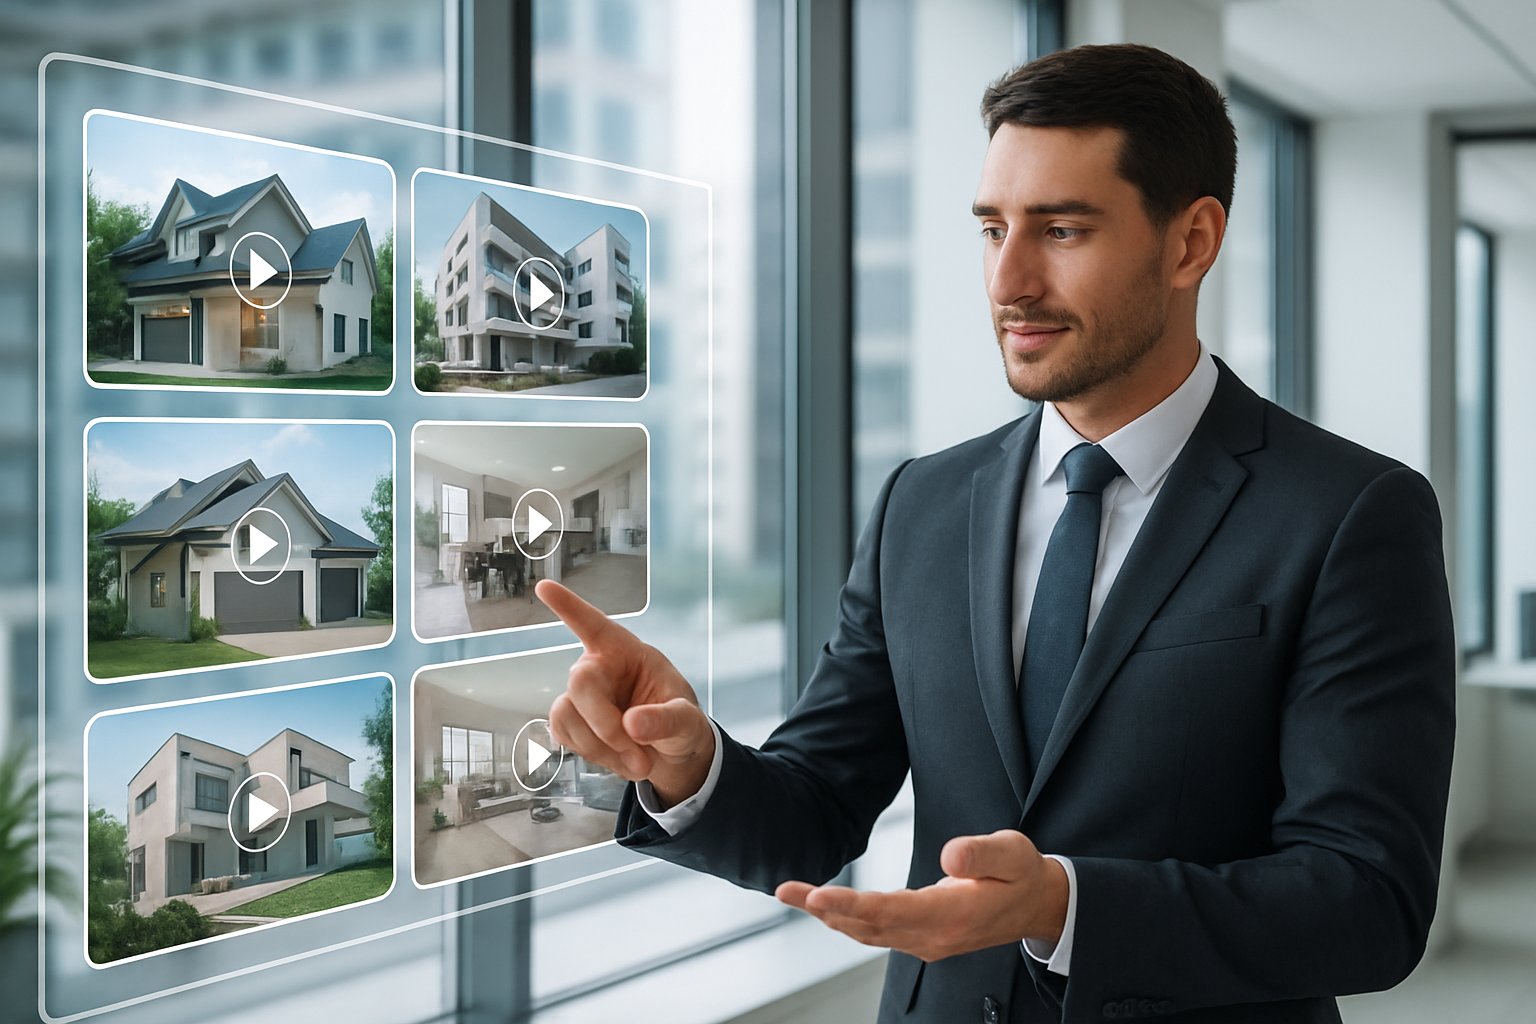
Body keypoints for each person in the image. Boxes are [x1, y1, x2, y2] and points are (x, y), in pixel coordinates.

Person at [535, 42, 1456, 1024]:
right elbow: (816, 810)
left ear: (1191, 243)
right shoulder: (923, 504)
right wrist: (689, 766)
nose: (1009, 280)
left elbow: (1367, 900)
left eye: (1061, 229)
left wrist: (1066, 904)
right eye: (991, 227)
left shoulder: (1351, 514)